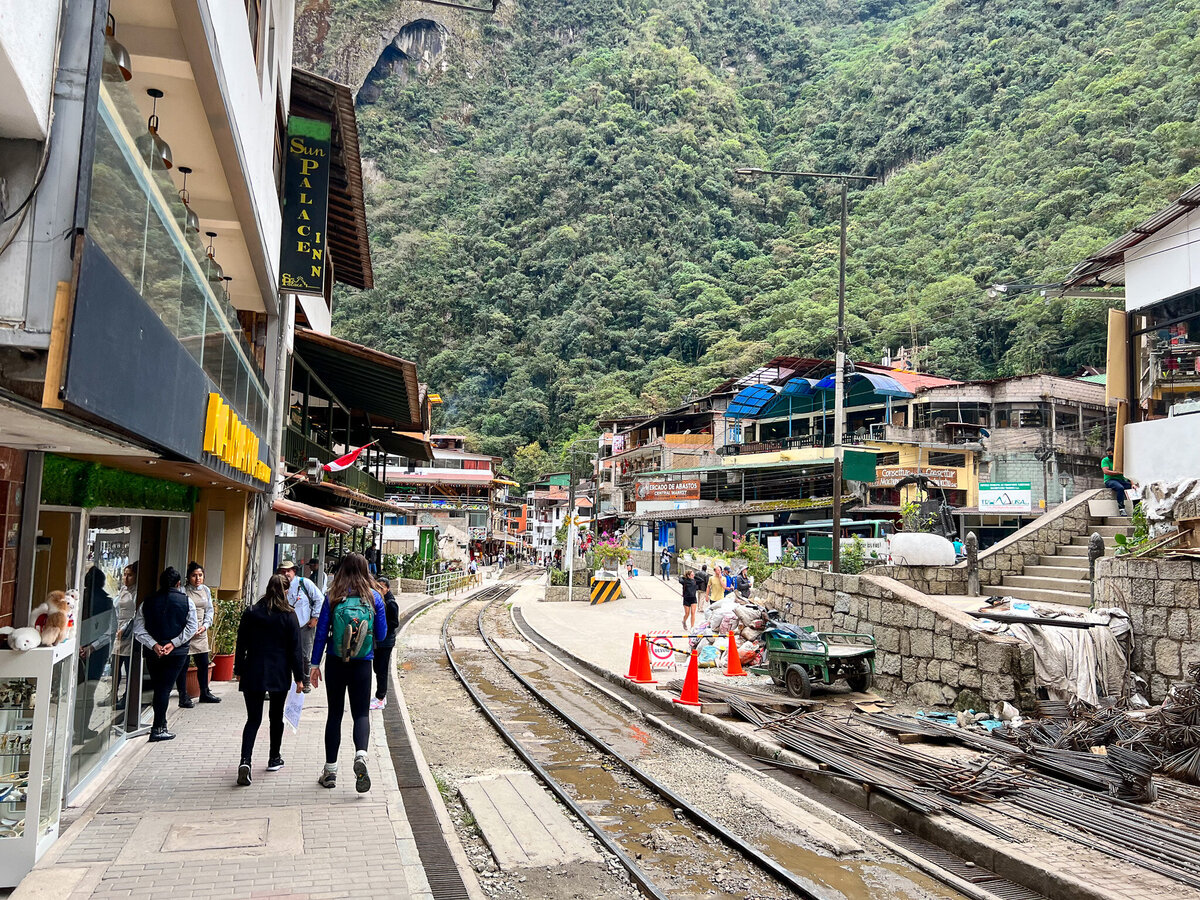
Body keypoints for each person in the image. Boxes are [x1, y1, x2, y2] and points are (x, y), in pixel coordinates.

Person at [309, 552, 387, 792]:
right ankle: (361, 755)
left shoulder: (332, 595)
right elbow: (382, 635)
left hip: (335, 661)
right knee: (361, 714)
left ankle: (330, 771)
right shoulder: (374, 597)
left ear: (342, 569)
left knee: (334, 714)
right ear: (366, 570)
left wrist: (314, 665)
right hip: (363, 663)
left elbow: (321, 633)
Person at [234, 574, 304, 785]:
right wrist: (300, 678)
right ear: (285, 591)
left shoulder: (252, 612)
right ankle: (274, 757)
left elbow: (241, 642)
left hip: (253, 670)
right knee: (276, 716)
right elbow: (295, 651)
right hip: (279, 672)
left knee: (253, 719)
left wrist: (238, 669)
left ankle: (245, 761)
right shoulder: (289, 616)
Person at [131, 567, 197, 742]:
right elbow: (191, 627)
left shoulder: (147, 602)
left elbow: (138, 629)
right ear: (178, 583)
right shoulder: (186, 602)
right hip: (177, 652)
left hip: (153, 652)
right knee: (164, 688)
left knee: (159, 686)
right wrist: (172, 644)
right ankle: (158, 727)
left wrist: (154, 645)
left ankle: (160, 724)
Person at [175, 562, 220, 708]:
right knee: (184, 665)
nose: (197, 578)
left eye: (200, 575)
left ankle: (205, 693)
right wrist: (189, 629)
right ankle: (183, 695)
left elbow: (209, 610)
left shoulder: (205, 590)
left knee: (203, 663)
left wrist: (205, 626)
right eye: (194, 575)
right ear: (188, 577)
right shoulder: (183, 591)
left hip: (201, 632)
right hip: (186, 632)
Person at [280, 560, 323, 693]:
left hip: (305, 625)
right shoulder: (279, 585)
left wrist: (315, 617)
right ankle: (285, 682)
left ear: (294, 571)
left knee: (304, 656)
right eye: (283, 571)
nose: (286, 573)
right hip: (285, 627)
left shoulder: (304, 583)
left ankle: (306, 682)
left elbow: (319, 599)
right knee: (284, 655)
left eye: (288, 570)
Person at [371, 577, 400, 710]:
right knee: (377, 668)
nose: (379, 590)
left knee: (382, 669)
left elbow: (395, 623)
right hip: (379, 641)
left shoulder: (390, 603)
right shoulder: (381, 601)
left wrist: (382, 626)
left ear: (387, 588)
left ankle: (381, 697)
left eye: (381, 588)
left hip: (386, 641)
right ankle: (380, 695)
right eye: (377, 587)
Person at [112, 562, 138, 711]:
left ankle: (127, 697)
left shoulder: (136, 592)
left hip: (128, 633)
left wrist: (124, 628)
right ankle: (113, 695)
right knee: (115, 667)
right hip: (117, 631)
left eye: (130, 575)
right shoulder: (122, 590)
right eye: (125, 574)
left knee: (128, 668)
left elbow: (135, 615)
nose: (126, 578)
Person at [1101, 447, 1136, 516]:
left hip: (1122, 480)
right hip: (1110, 480)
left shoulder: (1121, 461)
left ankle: (1136, 509)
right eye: (1108, 454)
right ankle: (1121, 508)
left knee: (1134, 490)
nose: (1109, 455)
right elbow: (1106, 471)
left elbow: (1130, 473)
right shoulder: (1105, 460)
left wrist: (1133, 484)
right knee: (1120, 488)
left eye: (1110, 453)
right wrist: (1118, 472)